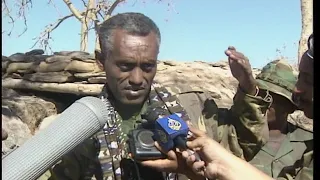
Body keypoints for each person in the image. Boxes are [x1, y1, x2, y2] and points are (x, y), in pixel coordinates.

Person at [40, 13, 268, 180]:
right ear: (101, 61)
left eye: (148, 66)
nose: (138, 78)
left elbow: (245, 145)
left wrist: (249, 89)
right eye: (125, 66)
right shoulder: (79, 126)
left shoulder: (190, 109)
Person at [181, 34, 314, 180]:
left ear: (290, 106)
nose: (262, 101)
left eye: (271, 97)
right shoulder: (225, 128)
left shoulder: (308, 143)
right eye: (259, 93)